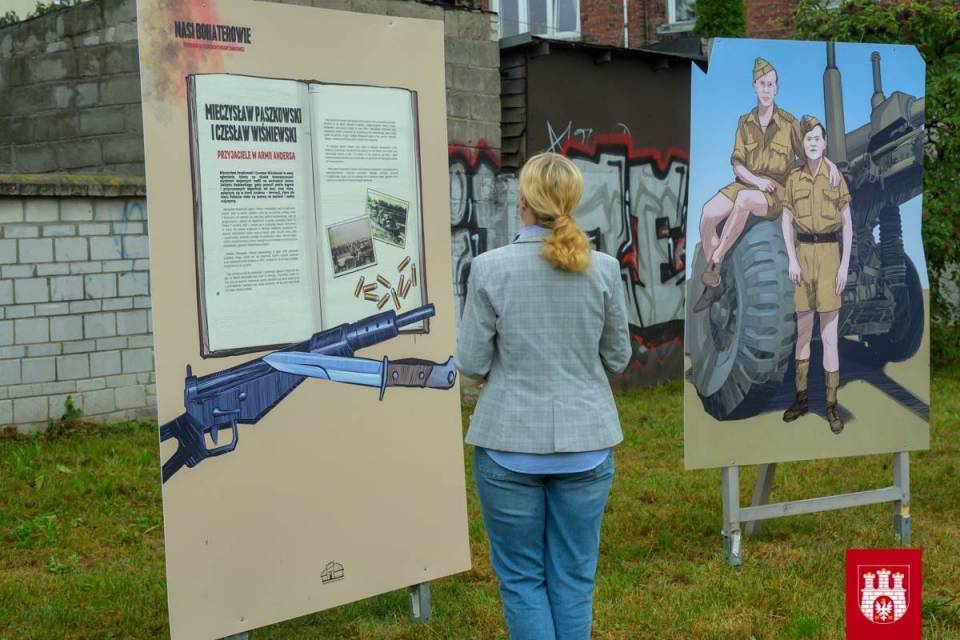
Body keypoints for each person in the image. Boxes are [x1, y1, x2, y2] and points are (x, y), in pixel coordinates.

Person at [455, 152, 631, 640]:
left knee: (521, 580)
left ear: (523, 202)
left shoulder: (488, 268)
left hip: (508, 445)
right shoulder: (604, 269)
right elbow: (618, 357)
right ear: (572, 201)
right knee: (574, 580)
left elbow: (470, 363)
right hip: (587, 443)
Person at [693, 57, 841, 313]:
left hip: (776, 190)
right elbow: (737, 165)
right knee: (708, 213)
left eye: (770, 84)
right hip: (747, 183)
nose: (766, 89)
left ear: (776, 88)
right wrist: (756, 181)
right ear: (754, 86)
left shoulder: (788, 123)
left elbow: (810, 149)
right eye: (762, 84)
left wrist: (830, 164)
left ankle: (715, 263)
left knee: (744, 201)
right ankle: (716, 281)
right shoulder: (745, 123)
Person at [780, 115, 853, 434]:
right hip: (803, 255)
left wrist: (844, 265)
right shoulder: (793, 179)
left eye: (817, 138)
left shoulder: (835, 177)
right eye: (807, 138)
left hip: (828, 255)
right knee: (803, 333)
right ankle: (801, 399)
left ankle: (831, 406)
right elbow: (786, 220)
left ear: (824, 143)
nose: (812, 142)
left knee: (829, 336)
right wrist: (792, 259)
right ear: (802, 144)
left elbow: (847, 224)